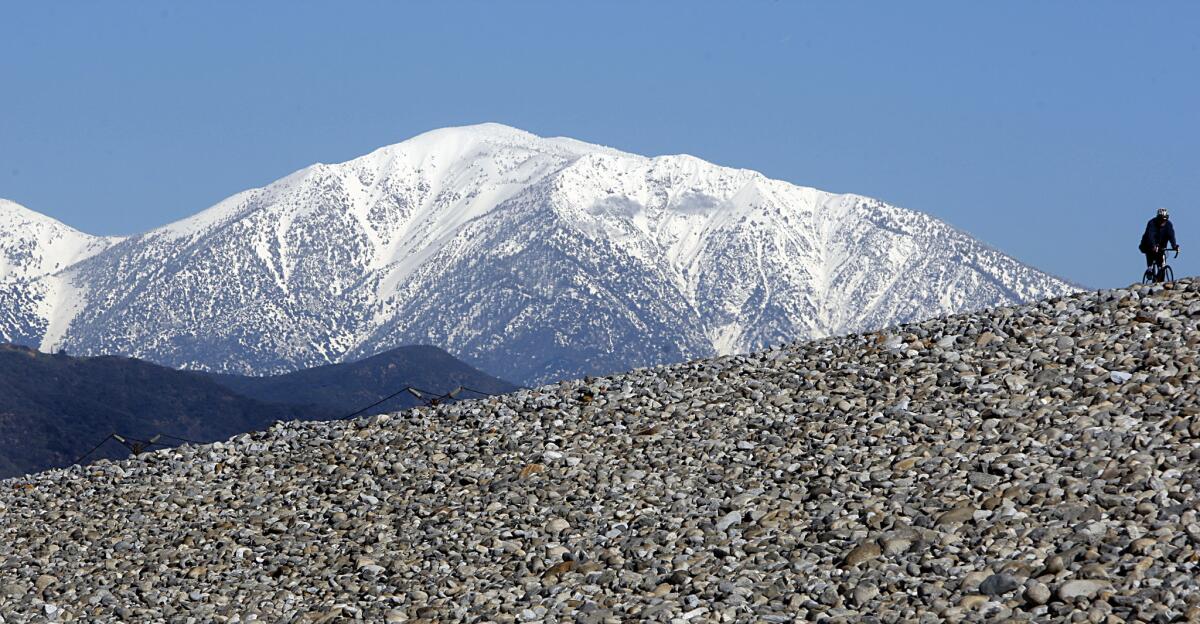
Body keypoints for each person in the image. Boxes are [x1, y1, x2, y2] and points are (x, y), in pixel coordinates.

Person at [1140, 208, 1179, 279]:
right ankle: (1150, 268)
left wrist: (1174, 246)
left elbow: (1171, 236)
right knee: (1150, 251)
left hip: (1161, 244)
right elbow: (1150, 236)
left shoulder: (1169, 225)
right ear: (1158, 218)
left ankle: (1160, 274)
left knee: (1161, 260)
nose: (1163, 222)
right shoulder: (1152, 223)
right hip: (1148, 243)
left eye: (1165, 220)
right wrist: (1153, 246)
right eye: (1161, 220)